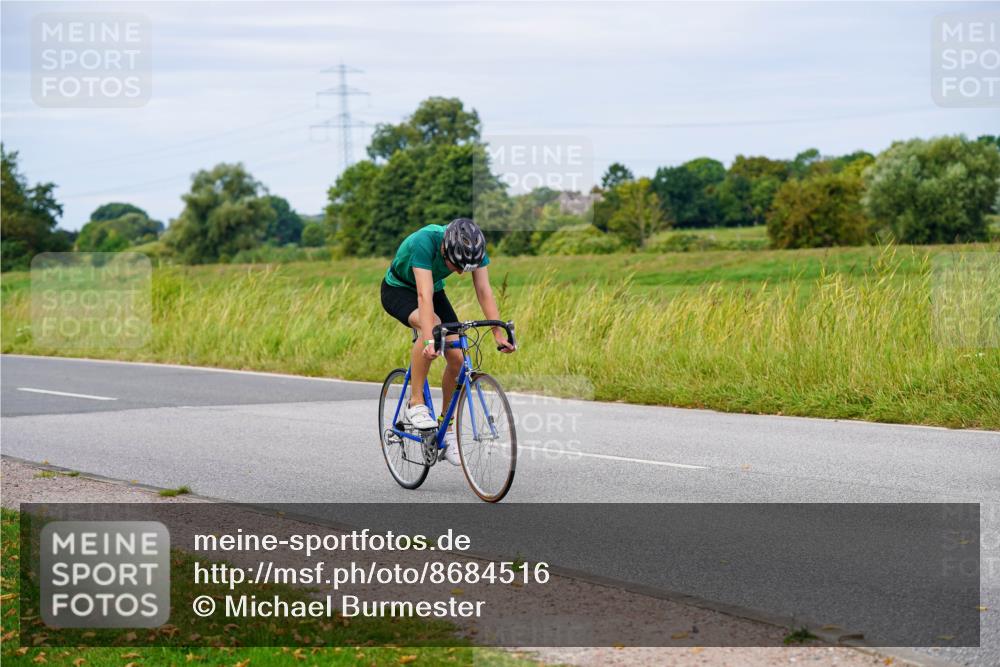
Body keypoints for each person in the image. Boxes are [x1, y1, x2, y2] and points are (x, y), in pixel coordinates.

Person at [380, 218, 515, 465]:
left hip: (434, 289)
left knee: (458, 358)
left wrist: (497, 332)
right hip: (399, 289)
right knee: (432, 325)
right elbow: (423, 295)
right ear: (445, 249)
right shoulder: (425, 241)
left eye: (466, 267)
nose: (461, 272)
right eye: (457, 265)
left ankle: (447, 429)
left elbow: (484, 290)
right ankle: (416, 401)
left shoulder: (474, 248)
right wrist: (429, 339)